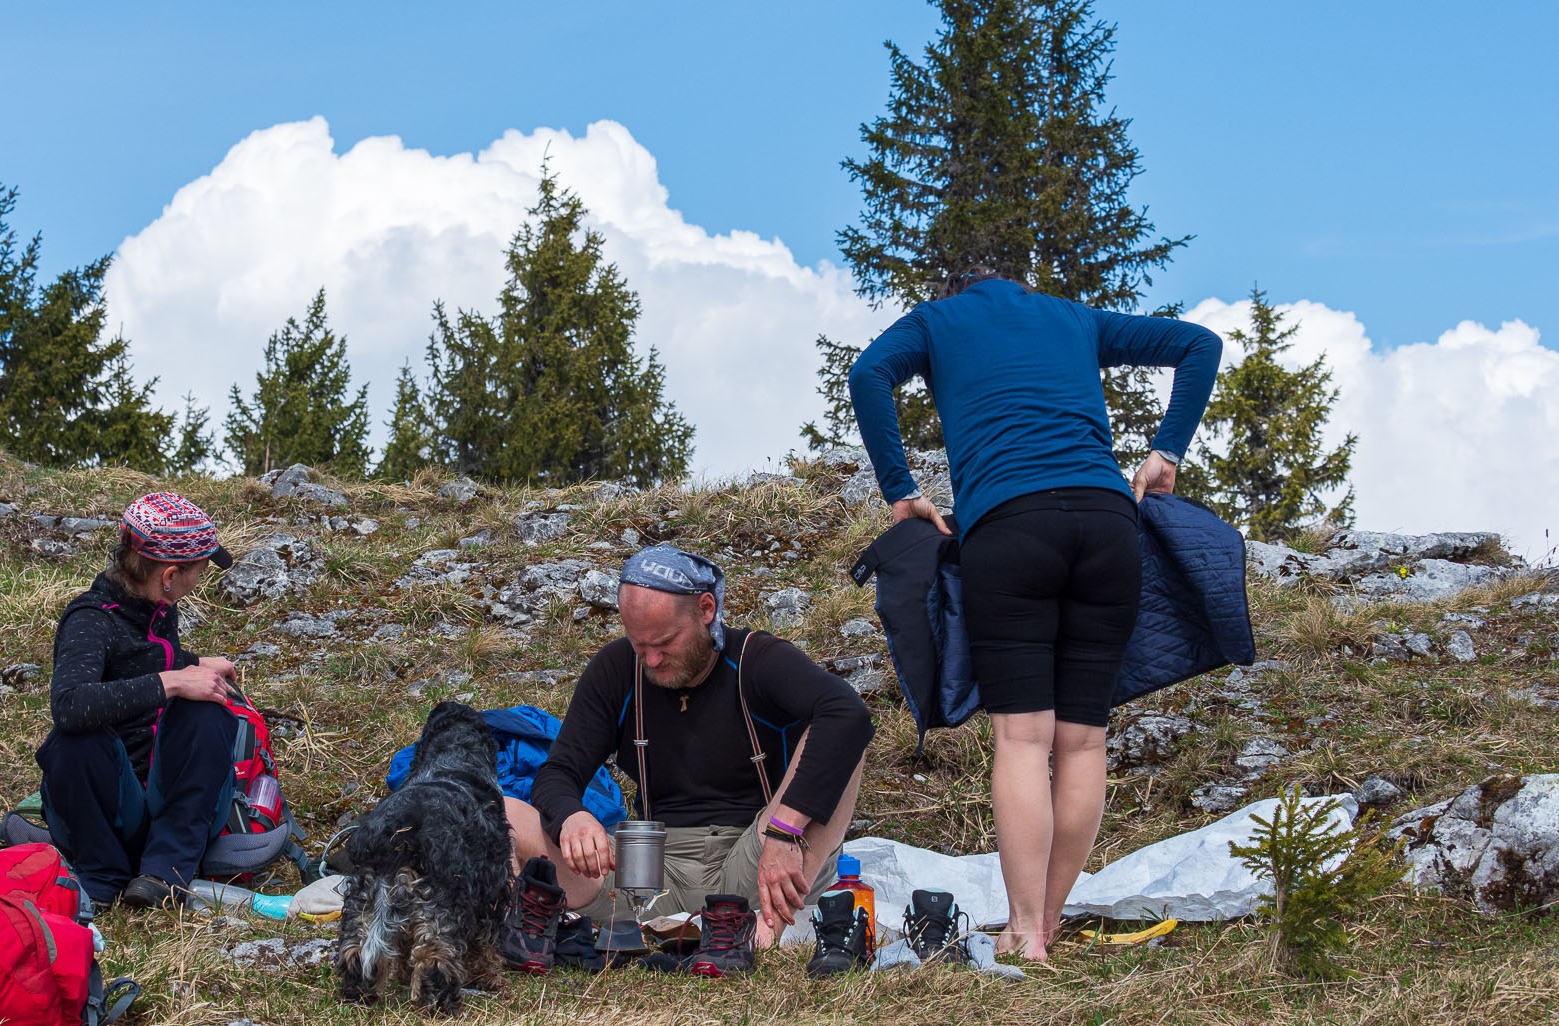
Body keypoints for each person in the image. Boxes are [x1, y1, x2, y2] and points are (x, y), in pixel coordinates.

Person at [848, 270, 1221, 959]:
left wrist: (902, 493)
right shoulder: (1074, 317)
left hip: (1013, 526)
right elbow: (1199, 344)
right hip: (1110, 526)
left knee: (1024, 739)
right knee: (1083, 741)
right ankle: (1046, 923)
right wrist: (1166, 452)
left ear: (961, 293)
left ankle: (1023, 934)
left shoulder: (935, 322)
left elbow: (868, 374)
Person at [504, 544, 875, 972]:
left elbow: (848, 714)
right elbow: (557, 773)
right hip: (647, 872)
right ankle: (511, 932)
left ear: (705, 610)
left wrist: (784, 833)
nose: (652, 659)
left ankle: (764, 927)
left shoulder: (757, 659)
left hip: (755, 859)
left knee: (843, 744)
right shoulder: (617, 668)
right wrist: (572, 818)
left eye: (663, 643)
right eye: (639, 645)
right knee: (500, 812)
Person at [37, 492, 241, 911]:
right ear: (168, 575)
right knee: (74, 737)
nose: (199, 580)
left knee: (208, 709)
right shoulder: (91, 619)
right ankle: (102, 878)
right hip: (113, 813)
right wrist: (173, 681)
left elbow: (138, 660)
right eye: (199, 570)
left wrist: (193, 664)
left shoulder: (156, 608)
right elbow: (70, 704)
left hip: (165, 803)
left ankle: (165, 876)